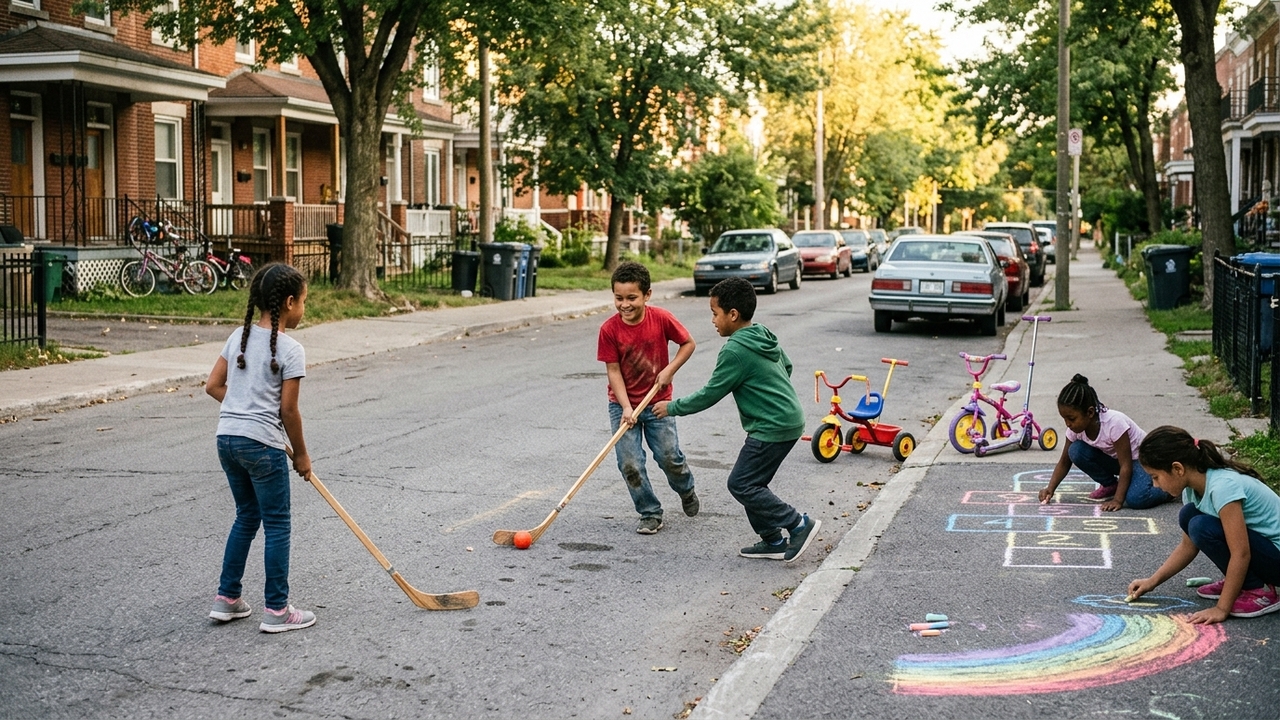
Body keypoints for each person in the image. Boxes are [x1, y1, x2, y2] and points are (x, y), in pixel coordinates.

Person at [654, 277, 820, 562]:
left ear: (733, 314)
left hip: (772, 427)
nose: (712, 320)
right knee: (752, 483)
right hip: (788, 420)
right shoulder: (761, 334)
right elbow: (787, 366)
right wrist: (769, 393)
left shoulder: (734, 350)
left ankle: (798, 524)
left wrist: (672, 407)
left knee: (741, 484)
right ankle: (772, 540)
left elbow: (711, 393)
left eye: (715, 313)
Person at [204, 263, 316, 633]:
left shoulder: (238, 336)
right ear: (288, 303)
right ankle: (277, 609)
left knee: (247, 516)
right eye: (303, 301)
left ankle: (227, 598)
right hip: (261, 446)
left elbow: (213, 386)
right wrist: (301, 455)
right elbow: (288, 410)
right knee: (278, 523)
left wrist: (242, 409)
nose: (304, 308)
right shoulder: (291, 349)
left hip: (227, 439)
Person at [1128, 426, 1280, 621]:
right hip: (1266, 551)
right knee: (1189, 516)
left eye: (1155, 477)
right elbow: (1187, 546)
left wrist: (1221, 609)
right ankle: (1242, 583)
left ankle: (1259, 590)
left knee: (1202, 526)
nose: (1155, 485)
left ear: (1178, 468)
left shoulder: (1222, 487)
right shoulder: (1192, 489)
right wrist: (1152, 581)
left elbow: (1241, 553)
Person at [598, 261, 698, 535]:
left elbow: (688, 343)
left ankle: (686, 489)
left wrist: (669, 370)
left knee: (669, 458)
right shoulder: (609, 330)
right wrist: (627, 407)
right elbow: (613, 370)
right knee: (629, 463)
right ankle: (650, 512)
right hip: (623, 405)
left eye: (632, 298)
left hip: (659, 403)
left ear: (647, 295)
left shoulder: (662, 318)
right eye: (619, 298)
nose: (625, 304)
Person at [1038, 374, 1171, 511]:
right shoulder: (1075, 429)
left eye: (1071, 418)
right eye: (1064, 419)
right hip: (1116, 461)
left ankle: (1168, 490)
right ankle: (1110, 485)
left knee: (1136, 499)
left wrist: (1118, 500)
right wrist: (1050, 488)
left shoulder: (1114, 424)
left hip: (1140, 461)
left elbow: (1126, 465)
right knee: (1076, 450)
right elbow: (1064, 462)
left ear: (1090, 412)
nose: (1067, 424)